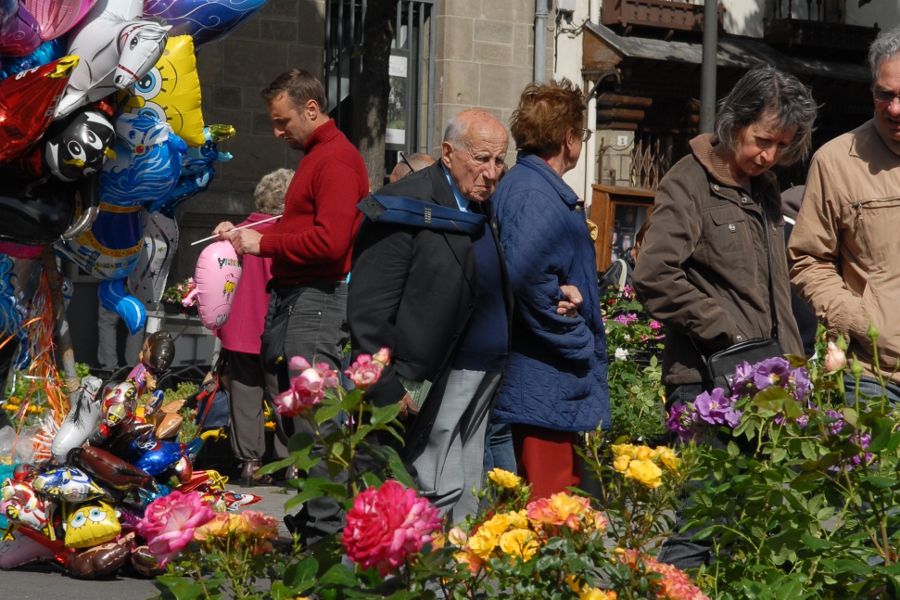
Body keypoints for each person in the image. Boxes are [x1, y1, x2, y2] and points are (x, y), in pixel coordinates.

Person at [632, 65, 816, 570]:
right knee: (699, 524)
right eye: (762, 140)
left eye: (782, 145)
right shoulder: (688, 181)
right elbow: (652, 274)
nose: (769, 155)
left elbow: (774, 288)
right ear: (734, 121)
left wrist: (792, 366)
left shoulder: (766, 187)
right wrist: (725, 330)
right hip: (706, 386)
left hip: (769, 385)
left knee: (754, 528)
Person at [213, 69, 368, 542]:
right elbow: (301, 227)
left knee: (314, 416)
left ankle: (324, 534)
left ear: (312, 109)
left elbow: (331, 239)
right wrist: (249, 238)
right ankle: (312, 523)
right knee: (298, 415)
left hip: (318, 299)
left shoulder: (336, 159)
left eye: (283, 122)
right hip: (300, 298)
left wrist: (263, 245)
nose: (278, 132)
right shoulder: (319, 157)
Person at [348, 109, 513, 524]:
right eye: (482, 158)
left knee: (467, 492)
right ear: (447, 152)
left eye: (499, 161)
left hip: (481, 374)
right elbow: (369, 312)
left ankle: (452, 579)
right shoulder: (406, 204)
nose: (492, 173)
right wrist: (387, 388)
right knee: (426, 491)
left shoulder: (479, 205)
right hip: (425, 381)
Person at [488, 79, 611, 500]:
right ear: (568, 137)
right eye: (583, 133)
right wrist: (579, 339)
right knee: (548, 505)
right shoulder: (535, 193)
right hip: (542, 377)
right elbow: (526, 282)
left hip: (543, 378)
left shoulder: (532, 187)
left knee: (550, 503)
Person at [790, 26, 900, 402]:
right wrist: (855, 319)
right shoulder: (836, 161)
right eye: (884, 95)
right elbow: (807, 258)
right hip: (873, 376)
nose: (895, 109)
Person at [215, 169, 293, 487]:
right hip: (276, 328)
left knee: (245, 398)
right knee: (285, 398)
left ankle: (249, 463)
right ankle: (292, 464)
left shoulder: (236, 233)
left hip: (240, 329)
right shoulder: (289, 235)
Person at [599, 218, 650, 296]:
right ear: (639, 243)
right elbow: (602, 300)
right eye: (649, 245)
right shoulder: (619, 267)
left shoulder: (648, 272)